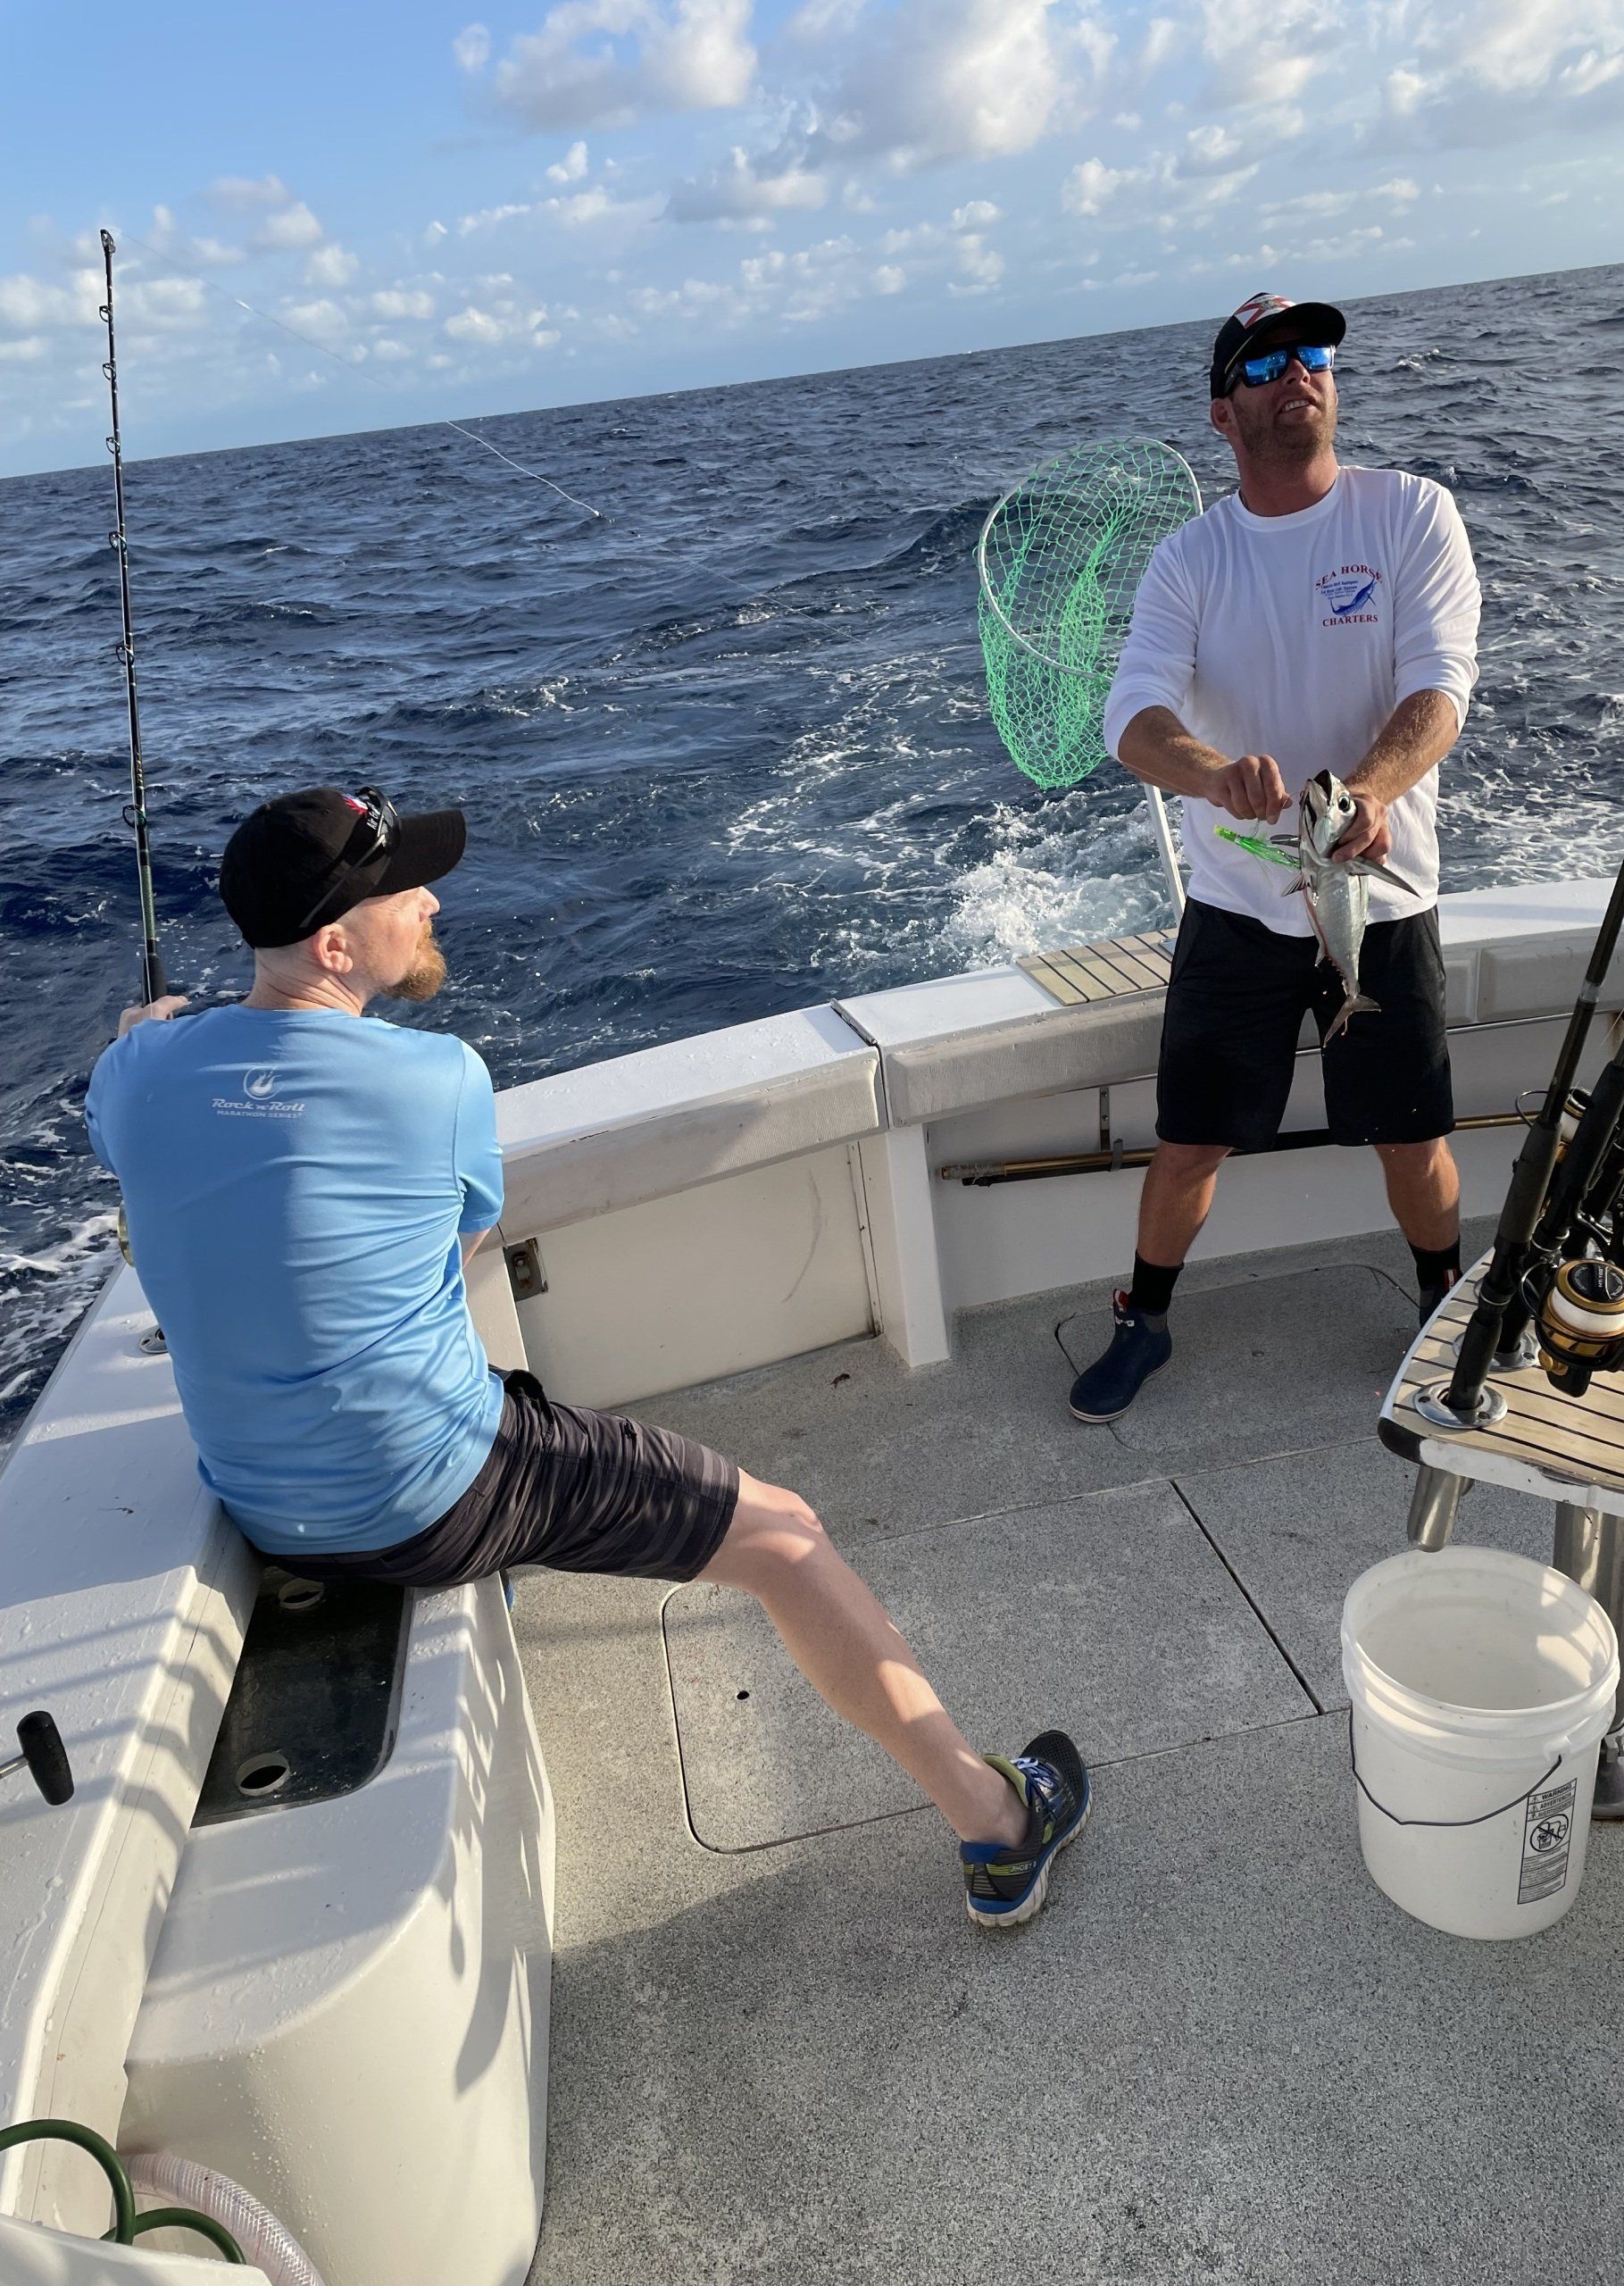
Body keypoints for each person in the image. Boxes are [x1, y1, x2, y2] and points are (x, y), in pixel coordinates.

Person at [85, 785, 1087, 1928]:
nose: (427, 900)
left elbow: (143, 1093)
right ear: (333, 943)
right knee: (788, 1537)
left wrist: (146, 1040)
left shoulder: (142, 1079)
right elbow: (463, 1221)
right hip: (433, 1496)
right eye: (399, 891)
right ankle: (999, 1826)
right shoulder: (437, 1080)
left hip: (265, 1503)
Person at [1071, 289, 1481, 1424]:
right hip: (1241, 898)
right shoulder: (1189, 560)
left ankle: (1441, 1307)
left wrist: (1374, 791)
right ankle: (1144, 1317)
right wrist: (1209, 773)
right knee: (1191, 1139)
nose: (1296, 372)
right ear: (1222, 412)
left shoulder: (1411, 514)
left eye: (1311, 355)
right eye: (1263, 365)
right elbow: (1132, 714)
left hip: (1380, 898)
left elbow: (1440, 687)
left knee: (1413, 1135)